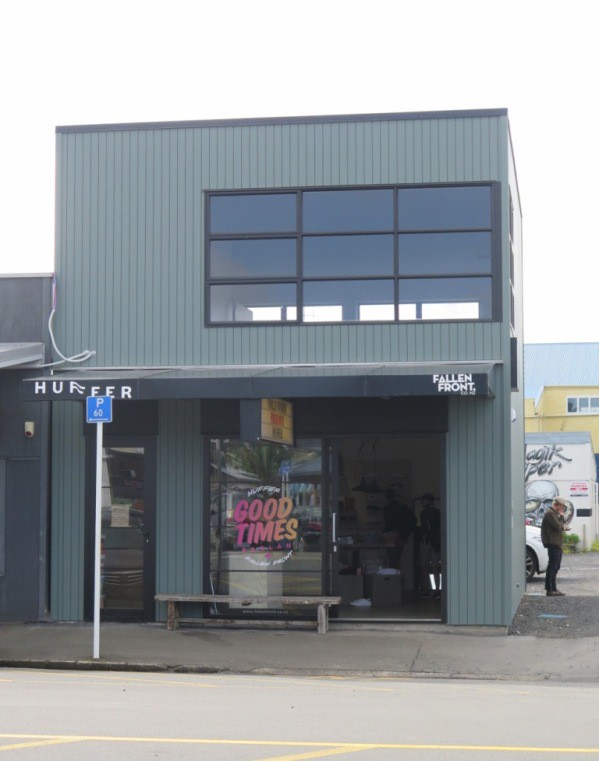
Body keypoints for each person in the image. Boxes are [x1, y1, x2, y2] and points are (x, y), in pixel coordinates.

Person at [541, 495, 570, 596]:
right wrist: (561, 517)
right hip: (552, 543)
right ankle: (549, 589)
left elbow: (561, 525)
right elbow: (557, 526)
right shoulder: (550, 514)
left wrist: (561, 519)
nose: (562, 508)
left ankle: (553, 588)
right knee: (552, 566)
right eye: (562, 506)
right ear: (558, 505)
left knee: (556, 566)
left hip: (557, 543)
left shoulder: (554, 513)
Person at [383, 488, 416, 566]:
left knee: (392, 560)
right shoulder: (404, 507)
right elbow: (414, 521)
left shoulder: (386, 508)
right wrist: (405, 534)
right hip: (401, 535)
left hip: (390, 535)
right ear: (395, 496)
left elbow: (388, 523)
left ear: (386, 497)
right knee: (397, 559)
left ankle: (394, 572)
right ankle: (396, 571)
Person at [419, 493, 441, 597]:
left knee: (425, 567)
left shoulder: (423, 513)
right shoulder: (438, 512)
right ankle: (437, 590)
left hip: (426, 542)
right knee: (435, 567)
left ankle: (427, 590)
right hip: (435, 542)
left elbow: (424, 528)